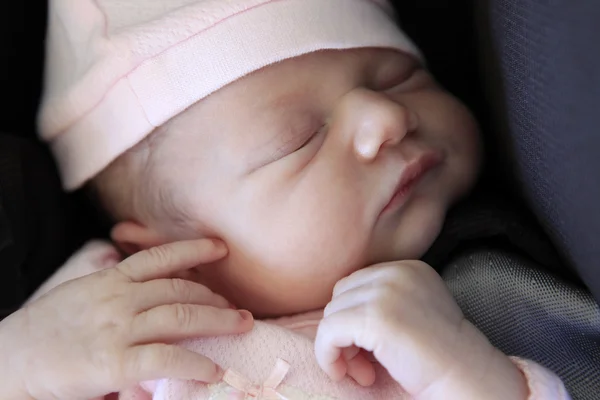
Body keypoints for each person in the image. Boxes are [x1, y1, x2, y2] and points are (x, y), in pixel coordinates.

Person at [0, 0, 571, 399]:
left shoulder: (492, 300)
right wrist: (18, 364)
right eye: (299, 140)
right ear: (184, 254)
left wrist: (467, 374)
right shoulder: (107, 318)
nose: (386, 116)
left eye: (397, 77)